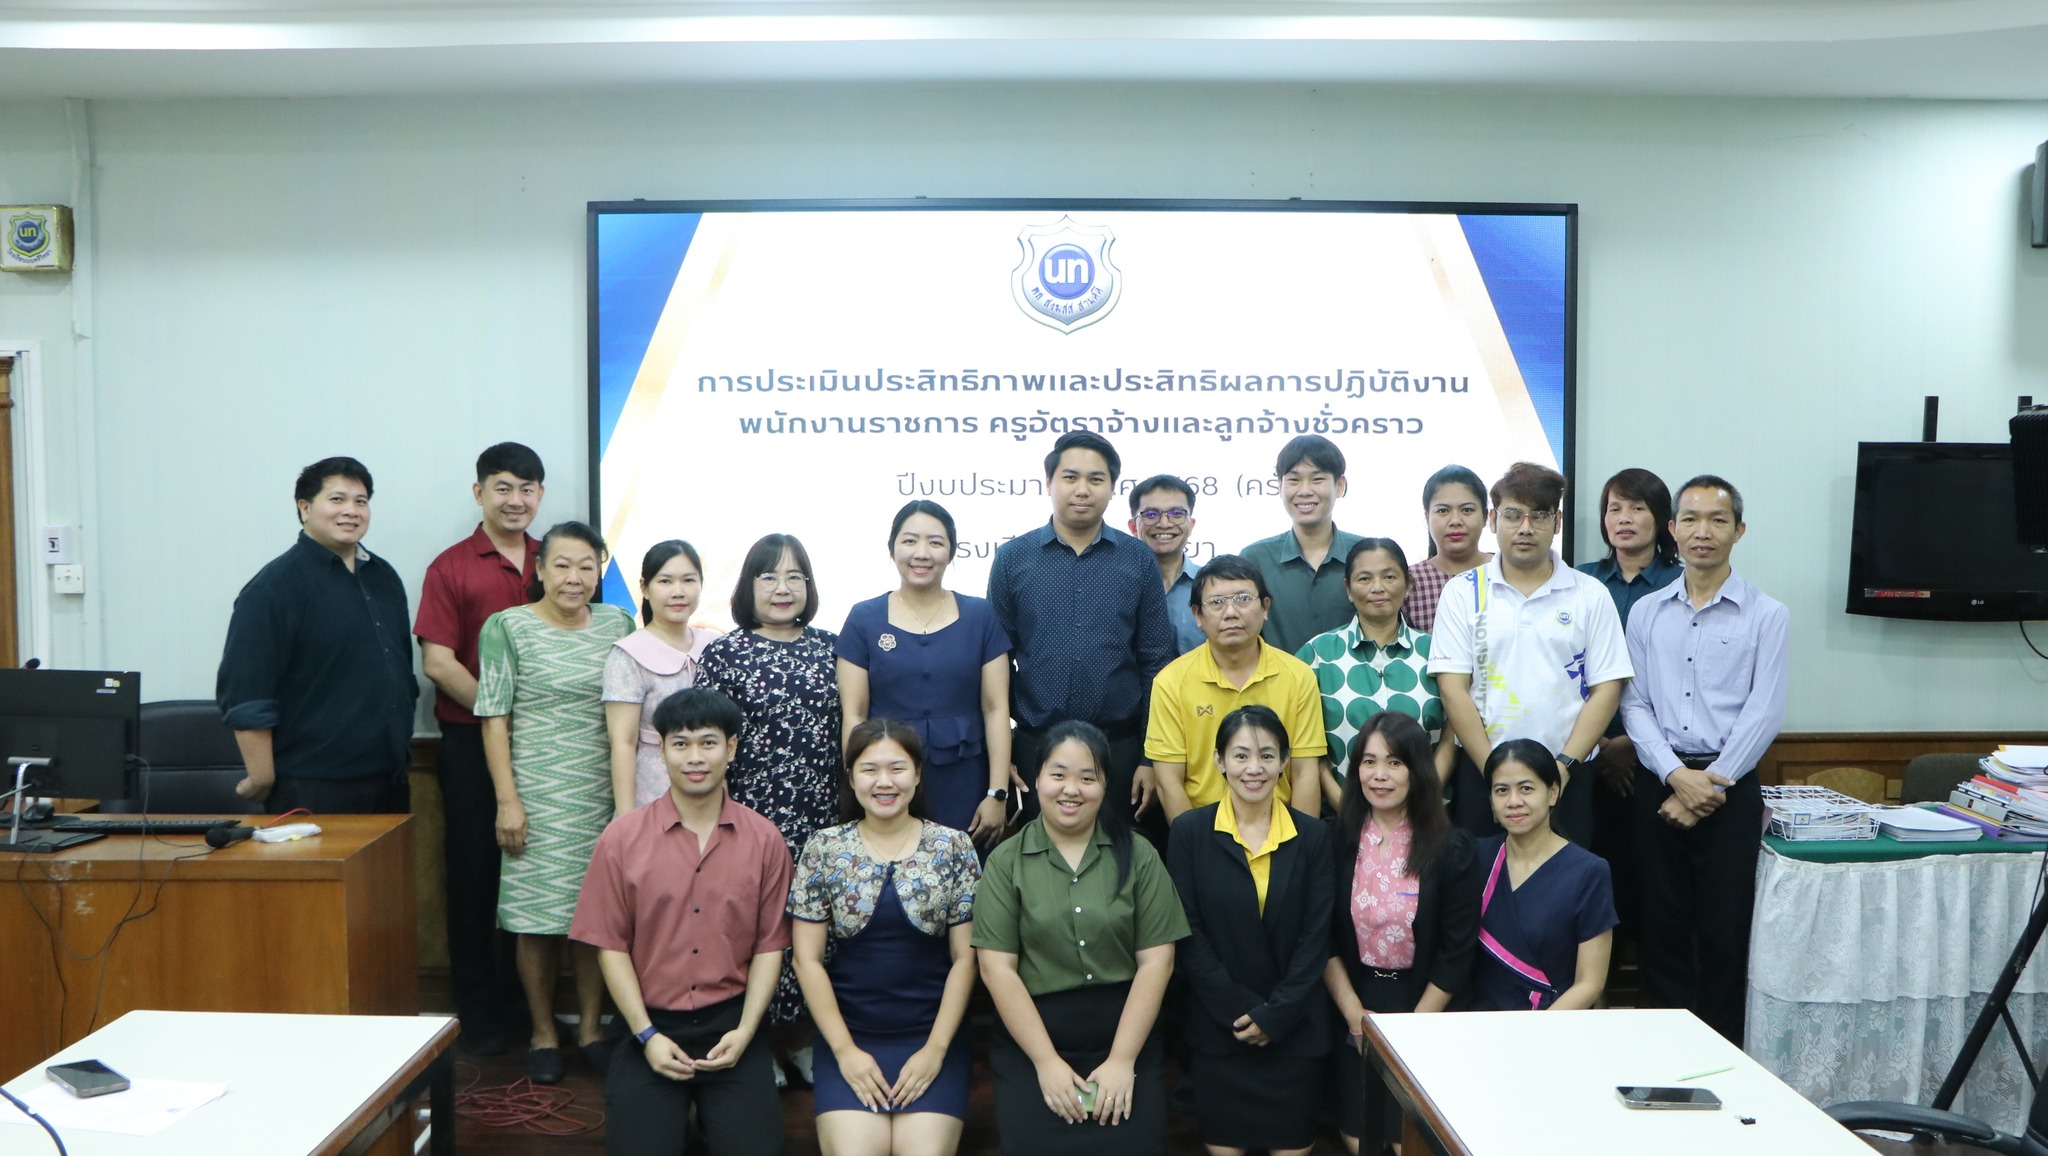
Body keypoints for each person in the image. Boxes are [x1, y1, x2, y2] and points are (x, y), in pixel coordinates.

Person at [571, 688, 792, 1156]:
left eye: (708, 743)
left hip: (733, 1023)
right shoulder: (621, 839)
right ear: (662, 749)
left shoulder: (764, 839)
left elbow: (770, 946)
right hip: (648, 1025)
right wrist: (646, 1035)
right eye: (680, 743)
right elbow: (610, 946)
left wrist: (746, 1032)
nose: (695, 757)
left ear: (731, 748)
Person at [1621, 475, 1788, 1045]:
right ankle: (1663, 1052)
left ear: (1739, 530)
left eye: (1718, 520)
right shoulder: (1645, 612)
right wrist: (1675, 775)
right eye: (1690, 519)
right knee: (1659, 926)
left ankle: (1723, 1055)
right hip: (1658, 782)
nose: (1703, 532)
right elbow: (1634, 703)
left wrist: (1708, 787)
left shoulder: (1767, 615)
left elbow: (1765, 710)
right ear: (1672, 529)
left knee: (1724, 931)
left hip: (1730, 787)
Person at [973, 720, 1189, 1156]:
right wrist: (1047, 1063)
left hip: (1125, 1035)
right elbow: (996, 970)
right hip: (1033, 1042)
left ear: (1105, 786)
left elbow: (1158, 962)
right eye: (1058, 775)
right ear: (1036, 779)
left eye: (1087, 778)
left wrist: (1122, 1060)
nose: (1071, 789)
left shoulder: (1139, 854)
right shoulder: (1005, 861)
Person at [475, 520, 636, 1084]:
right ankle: (544, 1033)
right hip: (536, 797)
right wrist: (507, 801)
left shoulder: (618, 623)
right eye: (562, 565)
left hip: (602, 795)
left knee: (596, 920)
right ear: (539, 569)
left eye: (587, 566)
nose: (574, 577)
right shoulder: (508, 627)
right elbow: (494, 719)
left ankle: (591, 1030)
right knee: (535, 921)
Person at [790, 719, 982, 1156]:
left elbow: (966, 958)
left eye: (897, 768)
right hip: (850, 1038)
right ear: (850, 777)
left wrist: (935, 1050)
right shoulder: (823, 848)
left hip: (933, 1038)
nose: (884, 782)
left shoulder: (953, 847)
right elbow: (806, 959)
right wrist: (845, 1051)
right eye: (869, 769)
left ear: (917, 774)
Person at [414, 441, 546, 1055]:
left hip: (547, 751)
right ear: (479, 493)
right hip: (470, 745)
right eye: (503, 487)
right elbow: (439, 663)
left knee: (533, 877)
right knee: (474, 878)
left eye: (527, 488)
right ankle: (478, 1014)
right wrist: (502, 716)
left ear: (540, 495)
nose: (515, 500)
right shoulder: (450, 567)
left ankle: (528, 1011)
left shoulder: (559, 560)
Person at [1428, 462, 1632, 844]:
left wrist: (1563, 769)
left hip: (1567, 775)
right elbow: (1453, 689)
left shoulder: (1590, 594)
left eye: (1539, 515)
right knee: (1483, 878)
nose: (1525, 527)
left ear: (1557, 522)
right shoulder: (1462, 592)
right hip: (1482, 773)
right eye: (1513, 515)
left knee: (1566, 879)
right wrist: (1495, 775)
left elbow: (1607, 689)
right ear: (1493, 520)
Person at [987, 432, 1176, 835]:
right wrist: (1002, 758)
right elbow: (995, 664)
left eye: (1096, 479)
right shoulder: (1012, 559)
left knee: (1121, 858)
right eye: (1070, 477)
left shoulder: (1138, 559)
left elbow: (1156, 662)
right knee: (1039, 859)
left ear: (1112, 487)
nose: (1083, 489)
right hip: (1036, 747)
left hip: (1121, 749)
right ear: (1049, 482)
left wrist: (1149, 757)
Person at [1167, 705, 1333, 1156]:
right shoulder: (1189, 833)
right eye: (1240, 755)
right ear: (1219, 761)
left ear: (1285, 762)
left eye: (1267, 755)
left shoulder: (1314, 836)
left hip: (1294, 1031)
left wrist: (1276, 1014)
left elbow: (1317, 937)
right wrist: (1240, 1010)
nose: (1254, 768)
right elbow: (1188, 934)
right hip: (1220, 1032)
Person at [698, 533, 842, 1051]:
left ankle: (804, 1042)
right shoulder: (724, 653)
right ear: (748, 586)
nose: (783, 588)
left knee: (817, 926)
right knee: (756, 925)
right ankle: (757, 1043)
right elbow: (709, 743)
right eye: (769, 577)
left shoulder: (832, 648)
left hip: (823, 816)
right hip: (750, 817)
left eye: (794, 577)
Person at [217, 455, 417, 814]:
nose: (351, 511)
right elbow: (246, 692)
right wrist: (261, 776)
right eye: (337, 499)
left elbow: (400, 667)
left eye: (361, 501)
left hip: (390, 778)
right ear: (305, 508)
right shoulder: (274, 587)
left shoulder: (383, 577)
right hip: (313, 785)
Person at [1323, 712, 1481, 1156]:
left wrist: (1414, 1028)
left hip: (1427, 1005)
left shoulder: (1452, 846)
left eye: (1394, 762)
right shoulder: (1334, 841)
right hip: (1356, 1000)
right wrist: (1354, 1015)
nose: (1380, 775)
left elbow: (1457, 950)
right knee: (1360, 1139)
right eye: (1369, 761)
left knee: (1410, 1142)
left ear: (1418, 770)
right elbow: (1323, 938)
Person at [837, 501, 1013, 842]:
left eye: (935, 542)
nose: (922, 553)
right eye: (909, 541)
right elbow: (854, 714)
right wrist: (859, 784)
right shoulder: (863, 618)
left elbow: (996, 709)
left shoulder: (980, 616)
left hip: (965, 779)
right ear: (892, 549)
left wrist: (997, 793)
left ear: (952, 551)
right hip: (887, 782)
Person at [1574, 468, 1682, 955]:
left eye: (1638, 508)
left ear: (1662, 520)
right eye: (1614, 508)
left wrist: (1632, 746)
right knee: (1592, 868)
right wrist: (1599, 743)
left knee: (1654, 878)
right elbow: (1563, 669)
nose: (1624, 518)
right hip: (1583, 752)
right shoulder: (1581, 581)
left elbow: (1683, 679)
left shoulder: (1681, 583)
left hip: (1660, 759)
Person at [1146, 555, 1324, 823]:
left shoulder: (1298, 677)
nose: (1231, 613)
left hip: (1282, 827)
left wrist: (1299, 843)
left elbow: (1305, 772)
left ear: (1265, 607)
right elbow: (1168, 782)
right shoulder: (1170, 682)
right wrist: (1193, 842)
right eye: (1217, 602)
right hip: (1203, 829)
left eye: (1243, 599)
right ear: (1197, 614)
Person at [1298, 538, 1452, 814]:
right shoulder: (1317, 655)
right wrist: (1347, 811)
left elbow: (1451, 737)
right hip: (1340, 820)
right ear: (1348, 589)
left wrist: (1420, 805)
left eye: (1389, 577)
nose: (1378, 587)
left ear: (1408, 585)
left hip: (1426, 818)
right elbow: (1309, 750)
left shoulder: (1438, 652)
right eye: (1364, 578)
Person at [1468, 739, 1617, 1013]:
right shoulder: (1475, 858)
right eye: (1502, 790)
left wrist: (1538, 1029)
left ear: (1552, 793)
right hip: (1477, 1021)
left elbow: (1590, 983)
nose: (1514, 801)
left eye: (1526, 788)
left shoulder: (1589, 871)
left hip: (1553, 1022)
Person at [604, 539, 722, 815]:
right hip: (653, 788)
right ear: (645, 588)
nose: (678, 592)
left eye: (688, 580)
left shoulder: (715, 645)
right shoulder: (628, 654)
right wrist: (626, 818)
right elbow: (623, 743)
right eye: (665, 581)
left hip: (713, 789)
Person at [1242, 435, 1365, 656]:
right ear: (1279, 486)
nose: (1305, 490)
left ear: (1339, 485)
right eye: (1294, 480)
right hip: (1277, 679)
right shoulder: (1255, 559)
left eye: (1317, 479)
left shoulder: (1365, 555)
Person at [1402, 466, 1493, 633]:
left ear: (1485, 516)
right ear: (1427, 517)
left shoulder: (1507, 571)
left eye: (1467, 510)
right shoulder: (1409, 582)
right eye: (1443, 511)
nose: (1455, 521)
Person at [1126, 474, 1205, 654]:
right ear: (1133, 527)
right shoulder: (1114, 587)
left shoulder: (1211, 586)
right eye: (1151, 515)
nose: (1164, 523)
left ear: (1191, 525)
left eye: (1176, 514)